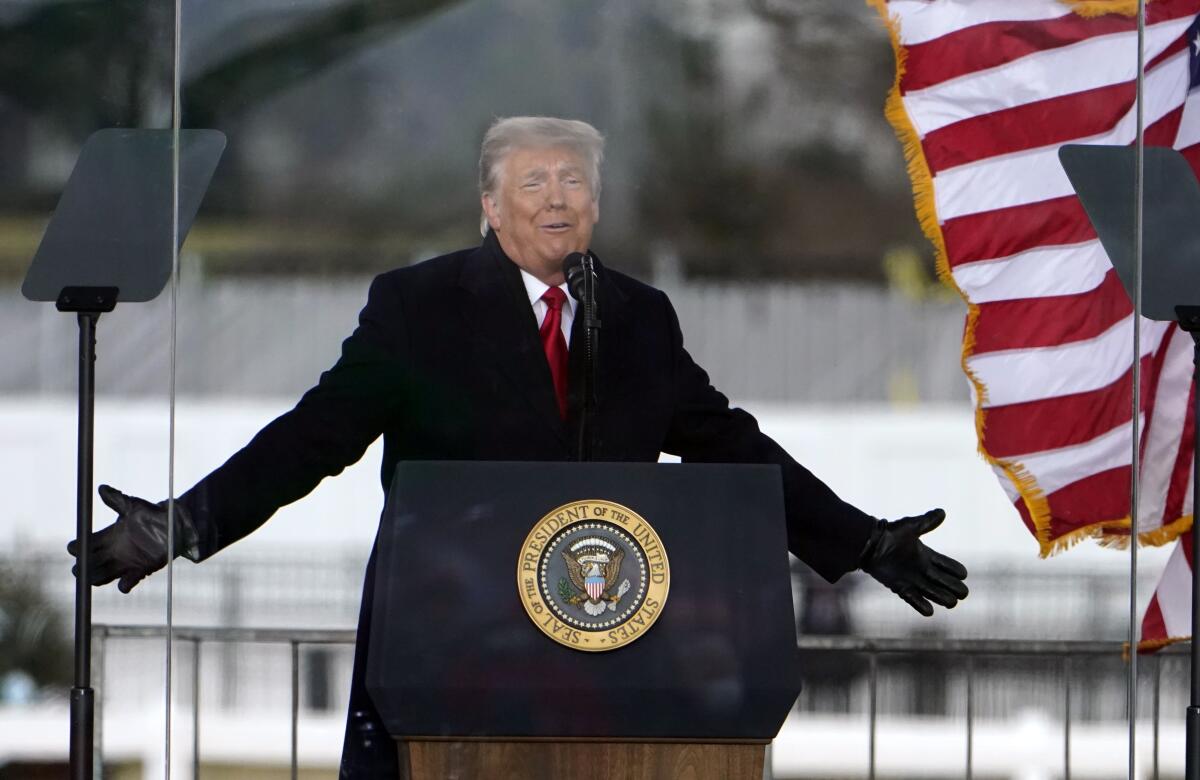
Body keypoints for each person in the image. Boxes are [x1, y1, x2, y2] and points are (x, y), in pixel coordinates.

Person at [69, 116, 969, 777]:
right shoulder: (419, 307)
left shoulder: (638, 317)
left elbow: (727, 441)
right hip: (450, 637)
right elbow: (317, 434)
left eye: (574, 181)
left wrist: (855, 540)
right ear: (490, 206)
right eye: (534, 182)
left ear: (599, 203)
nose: (557, 198)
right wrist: (184, 524)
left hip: (610, 642)